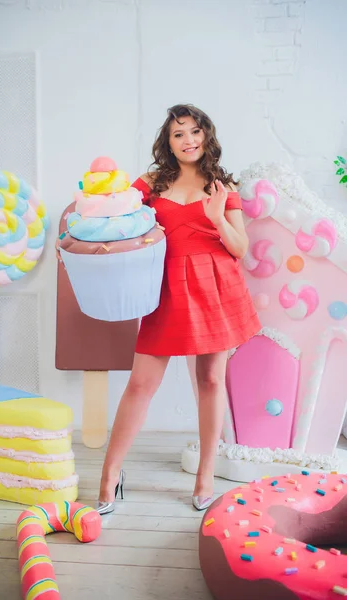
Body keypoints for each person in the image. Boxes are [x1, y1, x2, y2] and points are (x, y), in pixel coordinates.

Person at [97, 104, 261, 514]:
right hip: (167, 287)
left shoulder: (222, 185)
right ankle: (110, 474)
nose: (187, 140)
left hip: (216, 286)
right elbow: (117, 219)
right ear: (167, 142)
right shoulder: (150, 182)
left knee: (209, 381)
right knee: (141, 384)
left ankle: (205, 475)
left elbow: (240, 248)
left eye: (194, 132)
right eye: (177, 134)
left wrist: (217, 218)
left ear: (206, 135)